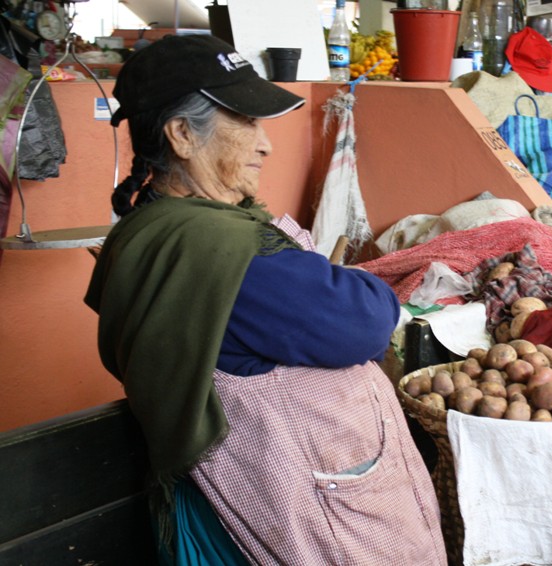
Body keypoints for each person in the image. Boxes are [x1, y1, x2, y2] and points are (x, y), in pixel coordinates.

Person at [84, 34, 447, 566]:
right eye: (246, 123)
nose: (266, 144)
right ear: (183, 135)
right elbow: (365, 320)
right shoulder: (218, 249)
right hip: (300, 513)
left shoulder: (153, 228)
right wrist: (361, 286)